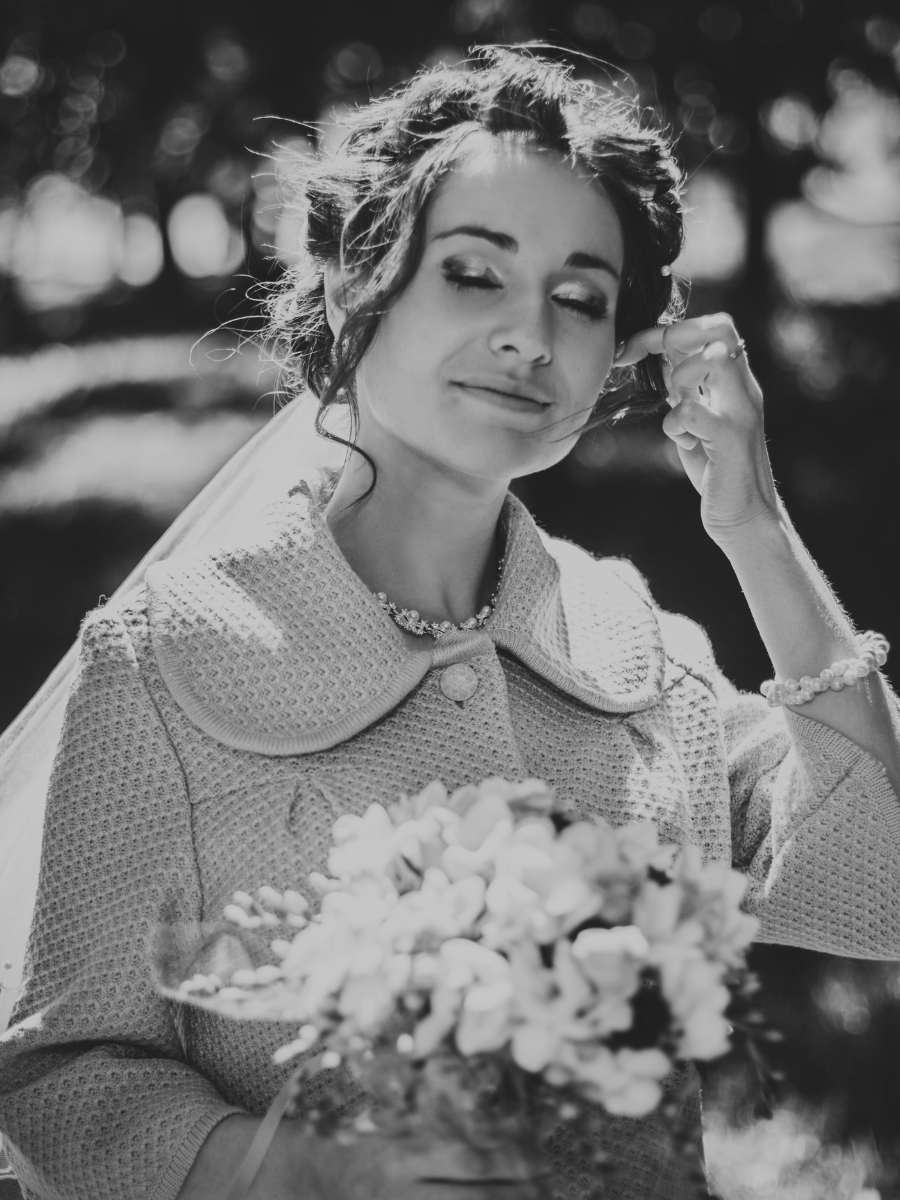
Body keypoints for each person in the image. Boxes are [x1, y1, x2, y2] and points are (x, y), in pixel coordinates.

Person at [1, 45, 898, 1200]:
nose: (531, 333)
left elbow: (881, 882)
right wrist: (297, 1172)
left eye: (579, 299)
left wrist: (756, 526)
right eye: (475, 274)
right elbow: (57, 1072)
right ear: (350, 282)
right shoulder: (170, 659)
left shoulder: (640, 653)